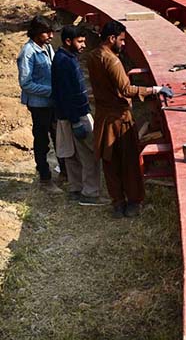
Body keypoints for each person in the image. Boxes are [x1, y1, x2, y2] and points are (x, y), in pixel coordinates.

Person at [86, 20, 173, 218]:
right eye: (122, 40)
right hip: (119, 119)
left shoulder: (92, 56)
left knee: (110, 162)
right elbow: (126, 89)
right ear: (112, 38)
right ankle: (133, 202)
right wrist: (154, 90)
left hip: (103, 118)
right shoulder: (113, 61)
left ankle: (117, 203)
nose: (124, 44)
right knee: (129, 162)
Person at [52, 25, 107, 206]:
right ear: (68, 41)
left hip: (66, 116)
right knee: (91, 154)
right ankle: (90, 194)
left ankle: (76, 189)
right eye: (80, 41)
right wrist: (77, 121)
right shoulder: (67, 62)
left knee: (72, 154)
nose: (83, 45)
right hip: (77, 115)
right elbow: (69, 94)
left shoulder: (61, 57)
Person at [16, 15, 65, 194]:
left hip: (51, 102)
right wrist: (50, 90)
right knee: (42, 140)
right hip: (39, 104)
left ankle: (64, 173)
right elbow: (26, 83)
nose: (51, 36)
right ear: (36, 33)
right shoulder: (27, 52)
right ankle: (45, 178)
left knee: (58, 136)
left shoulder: (48, 48)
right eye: (46, 32)